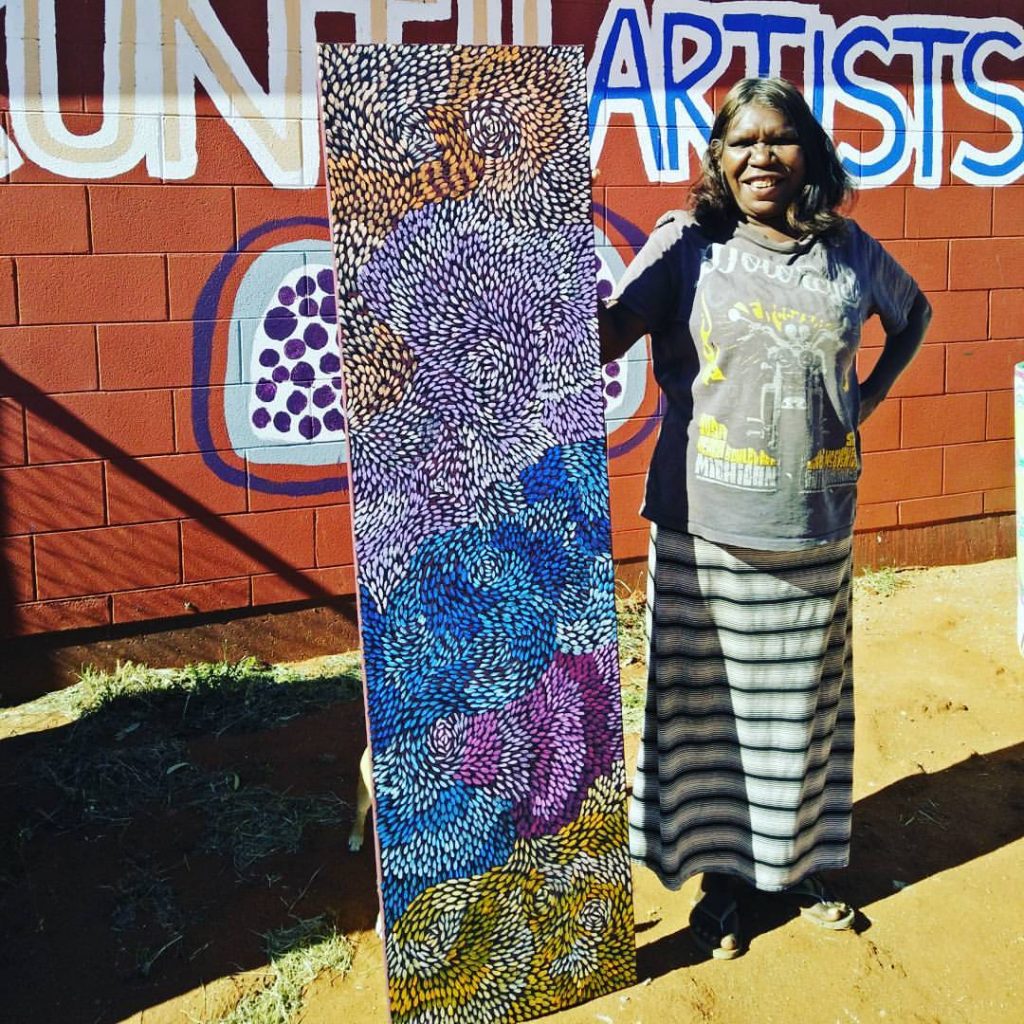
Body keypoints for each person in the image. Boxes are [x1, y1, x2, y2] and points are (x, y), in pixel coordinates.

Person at [598, 77, 931, 960]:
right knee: (712, 722)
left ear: (809, 152)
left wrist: (863, 400)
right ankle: (725, 885)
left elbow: (915, 315)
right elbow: (601, 339)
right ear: (717, 157)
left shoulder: (849, 252)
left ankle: (798, 865)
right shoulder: (687, 247)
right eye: (741, 142)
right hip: (704, 530)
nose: (761, 157)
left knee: (802, 716)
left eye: (779, 139)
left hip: (815, 523)